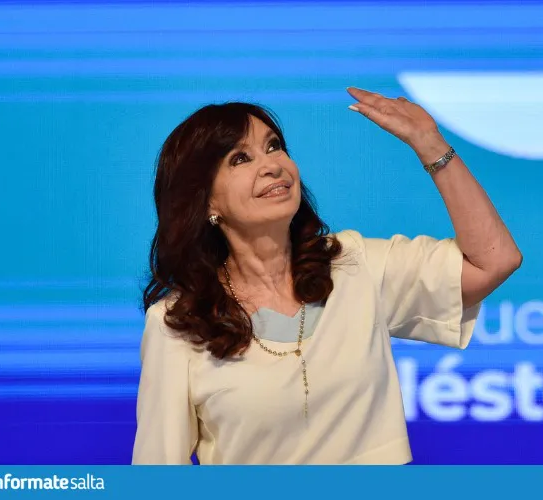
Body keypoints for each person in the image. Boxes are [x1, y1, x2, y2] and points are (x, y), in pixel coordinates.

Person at [131, 87, 522, 465]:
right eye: (240, 158)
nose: (272, 165)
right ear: (206, 202)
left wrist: (430, 144)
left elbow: (494, 261)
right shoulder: (177, 323)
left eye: (274, 146)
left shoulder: (353, 263)